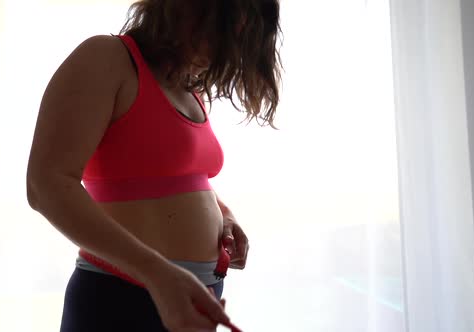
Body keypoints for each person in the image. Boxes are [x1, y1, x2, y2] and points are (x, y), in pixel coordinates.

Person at [26, 0, 282, 331]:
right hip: (121, 295)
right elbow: (45, 185)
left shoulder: (189, 88)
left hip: (192, 295)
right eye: (223, 28)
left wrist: (225, 215)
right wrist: (156, 272)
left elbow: (172, 177)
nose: (225, 47)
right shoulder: (106, 58)